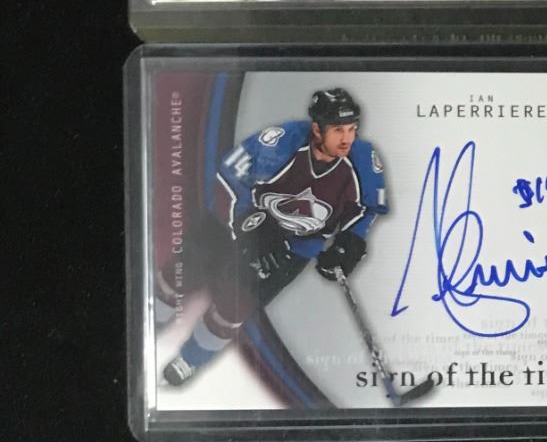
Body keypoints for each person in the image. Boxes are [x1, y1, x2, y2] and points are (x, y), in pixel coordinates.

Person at [156, 86, 388, 388]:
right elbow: (227, 180)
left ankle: (191, 358)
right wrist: (245, 225)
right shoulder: (280, 142)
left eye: (352, 129)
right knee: (186, 267)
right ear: (317, 129)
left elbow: (367, 209)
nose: (347, 138)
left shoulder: (363, 160)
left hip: (293, 247)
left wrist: (350, 243)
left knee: (234, 305)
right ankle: (153, 316)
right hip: (239, 218)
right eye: (338, 130)